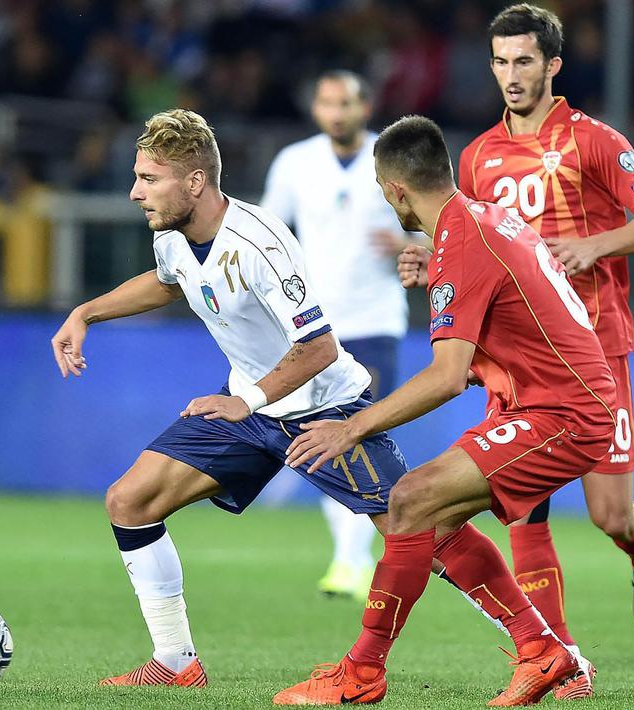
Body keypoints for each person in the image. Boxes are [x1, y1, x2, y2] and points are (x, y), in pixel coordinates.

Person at [51, 110, 569, 699]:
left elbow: (318, 347)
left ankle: (544, 647)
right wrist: (86, 312)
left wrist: (245, 400)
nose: (135, 191)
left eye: (149, 178)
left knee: (428, 525)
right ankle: (174, 660)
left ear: (194, 183)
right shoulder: (172, 235)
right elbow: (171, 279)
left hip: (323, 407)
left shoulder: (260, 242)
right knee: (130, 500)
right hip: (249, 406)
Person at [273, 115, 614, 706]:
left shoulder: (462, 242)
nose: (386, 199)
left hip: (565, 413)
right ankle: (541, 650)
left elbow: (446, 378)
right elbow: (514, 294)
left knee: (408, 500)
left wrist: (352, 427)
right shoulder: (485, 218)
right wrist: (438, 273)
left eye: (384, 190)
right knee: (437, 523)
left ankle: (361, 672)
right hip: (544, 402)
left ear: (396, 190)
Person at [402, 2, 634, 654]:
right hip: (520, 359)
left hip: (594, 349)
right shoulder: (475, 158)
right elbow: (466, 242)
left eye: (523, 60)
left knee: (610, 514)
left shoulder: (595, 140)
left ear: (552, 64)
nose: (510, 74)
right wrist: (427, 259)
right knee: (523, 507)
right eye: (499, 61)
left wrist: (597, 245)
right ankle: (557, 656)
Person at [262, 70, 422, 598]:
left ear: (365, 106)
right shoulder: (295, 162)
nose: (337, 112)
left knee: (357, 432)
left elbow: (435, 225)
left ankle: (351, 560)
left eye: (346, 103)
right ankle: (351, 557)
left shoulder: (393, 156)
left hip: (375, 319)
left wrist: (405, 241)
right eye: (327, 102)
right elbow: (268, 234)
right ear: (315, 108)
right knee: (330, 437)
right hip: (314, 327)